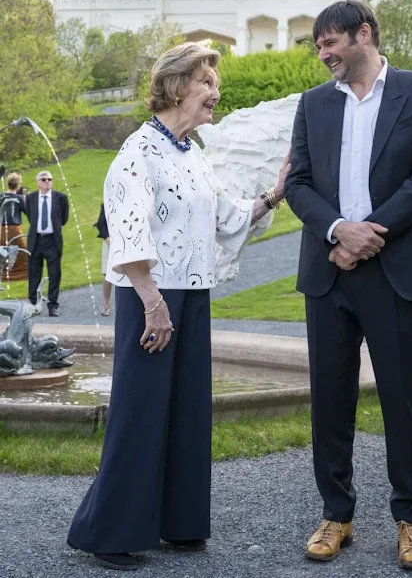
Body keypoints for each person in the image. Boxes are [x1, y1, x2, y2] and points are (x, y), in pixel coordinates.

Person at [67, 42, 290, 572]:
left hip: (192, 292)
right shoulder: (137, 152)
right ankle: (110, 533)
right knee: (140, 412)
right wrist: (153, 303)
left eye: (214, 83)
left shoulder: (193, 154)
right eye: (207, 83)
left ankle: (180, 524)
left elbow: (230, 218)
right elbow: (127, 231)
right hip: (150, 297)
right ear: (176, 85)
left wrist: (275, 194)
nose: (216, 92)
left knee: (189, 409)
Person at [285, 0, 412, 571]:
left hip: (400, 270)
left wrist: (367, 234)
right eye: (318, 47)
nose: (324, 55)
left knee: (405, 401)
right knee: (329, 402)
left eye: (330, 43)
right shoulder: (311, 105)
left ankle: (411, 520)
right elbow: (300, 181)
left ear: (364, 34)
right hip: (328, 271)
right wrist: (338, 230)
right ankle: (337, 514)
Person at [25, 171, 69, 316]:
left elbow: (63, 218)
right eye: (43, 179)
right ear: (38, 182)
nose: (47, 182)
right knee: (34, 273)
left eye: (49, 179)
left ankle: (53, 305)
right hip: (36, 240)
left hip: (52, 239)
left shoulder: (60, 198)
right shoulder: (31, 198)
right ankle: (33, 303)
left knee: (54, 274)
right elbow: (31, 216)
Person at [0, 172, 29, 281]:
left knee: (2, 251)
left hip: (1, 229)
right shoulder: (19, 198)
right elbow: (28, 212)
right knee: (23, 251)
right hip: (14, 229)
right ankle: (21, 274)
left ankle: (3, 273)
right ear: (18, 185)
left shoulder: (1, 196)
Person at [94, 203, 112, 316]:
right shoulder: (107, 204)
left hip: (129, 241)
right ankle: (106, 304)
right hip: (110, 242)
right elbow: (101, 224)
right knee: (108, 275)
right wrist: (107, 238)